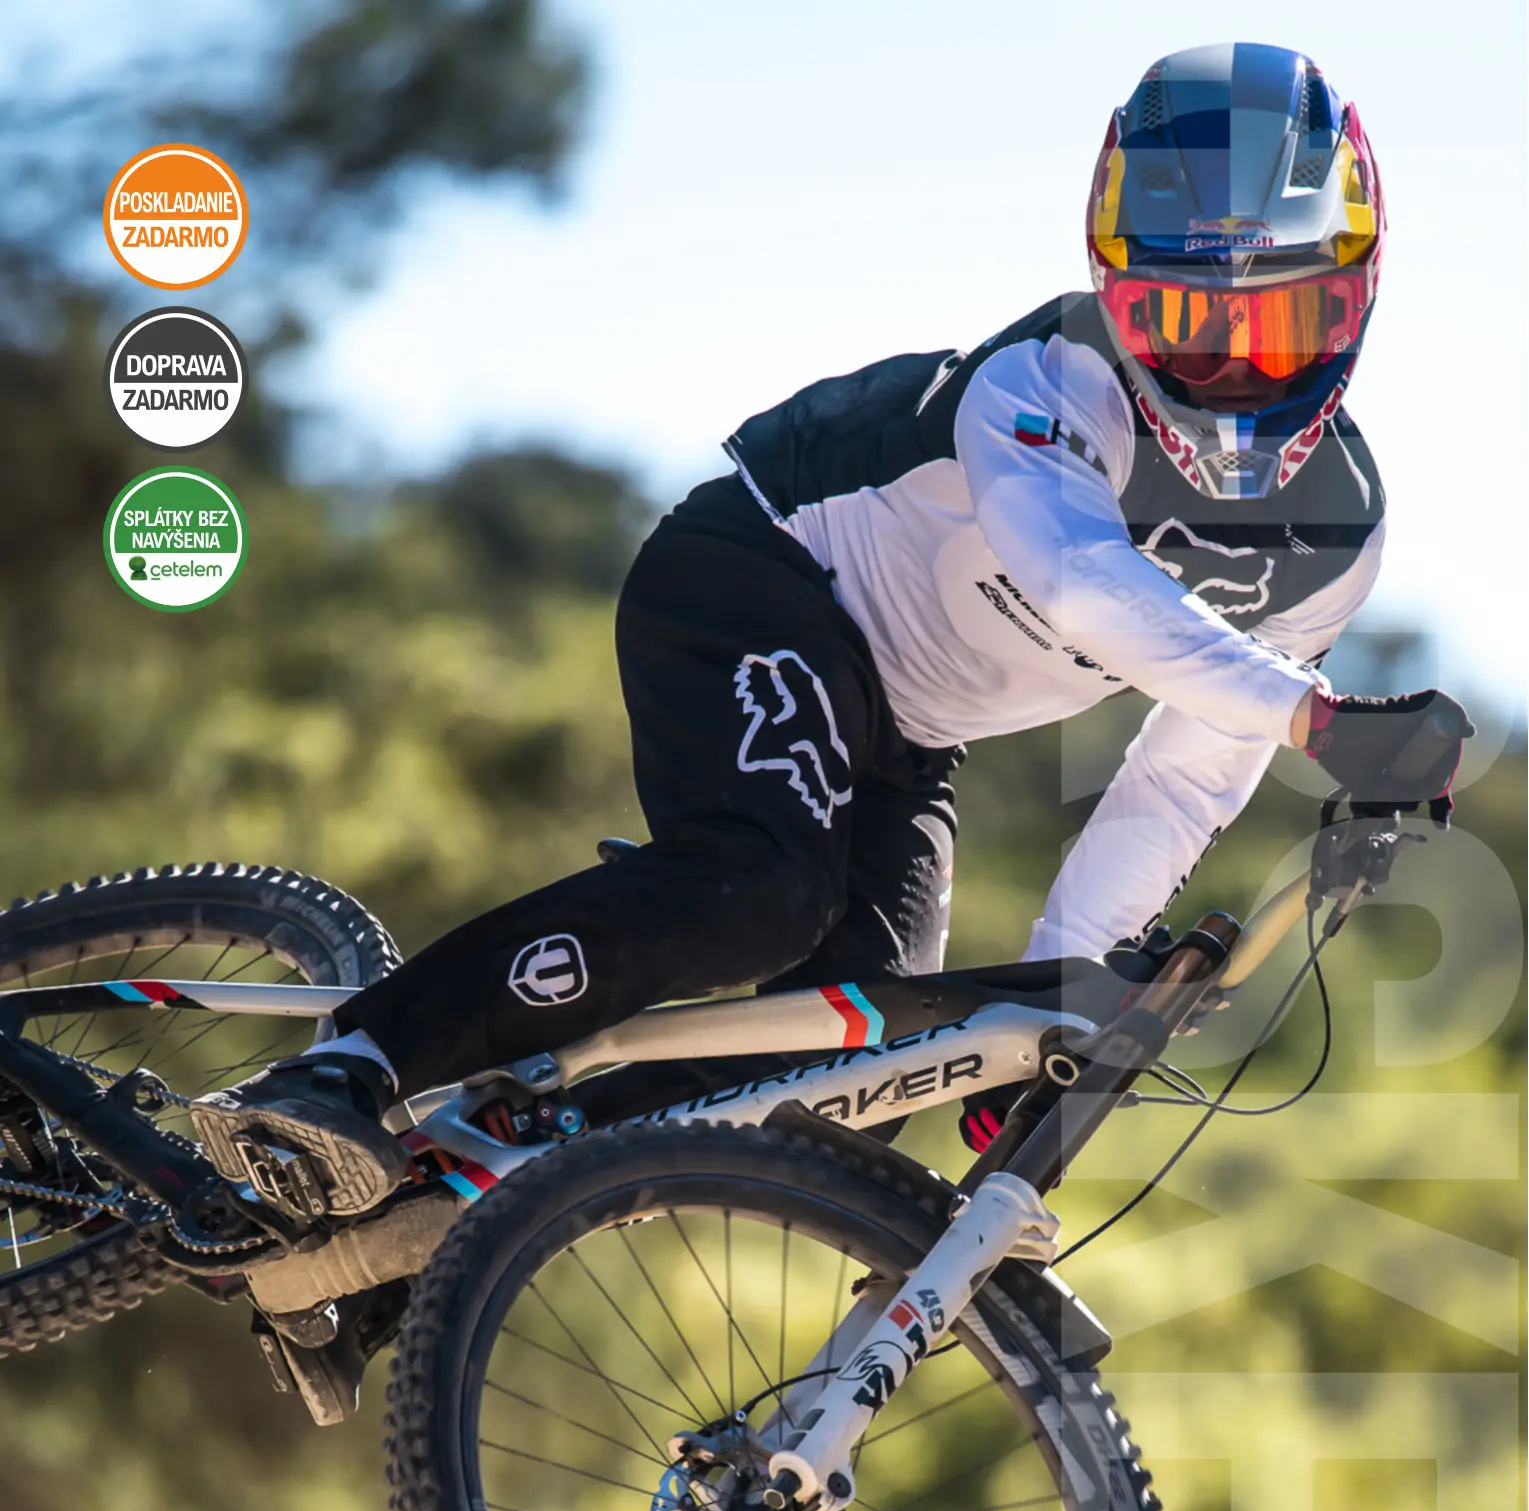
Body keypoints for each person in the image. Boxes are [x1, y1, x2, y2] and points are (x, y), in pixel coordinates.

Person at [196, 41, 1468, 1232]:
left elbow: (1177, 786)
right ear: (1111, 295)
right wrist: (1316, 719)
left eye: (1277, 325)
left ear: (1353, 300)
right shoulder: (1041, 380)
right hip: (763, 579)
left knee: (869, 1065)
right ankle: (349, 1068)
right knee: (759, 892)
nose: (1233, 371)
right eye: (1183, 325)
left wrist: (1055, 1014)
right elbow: (1081, 584)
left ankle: (458, 1204)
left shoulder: (1332, 538)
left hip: (906, 732)